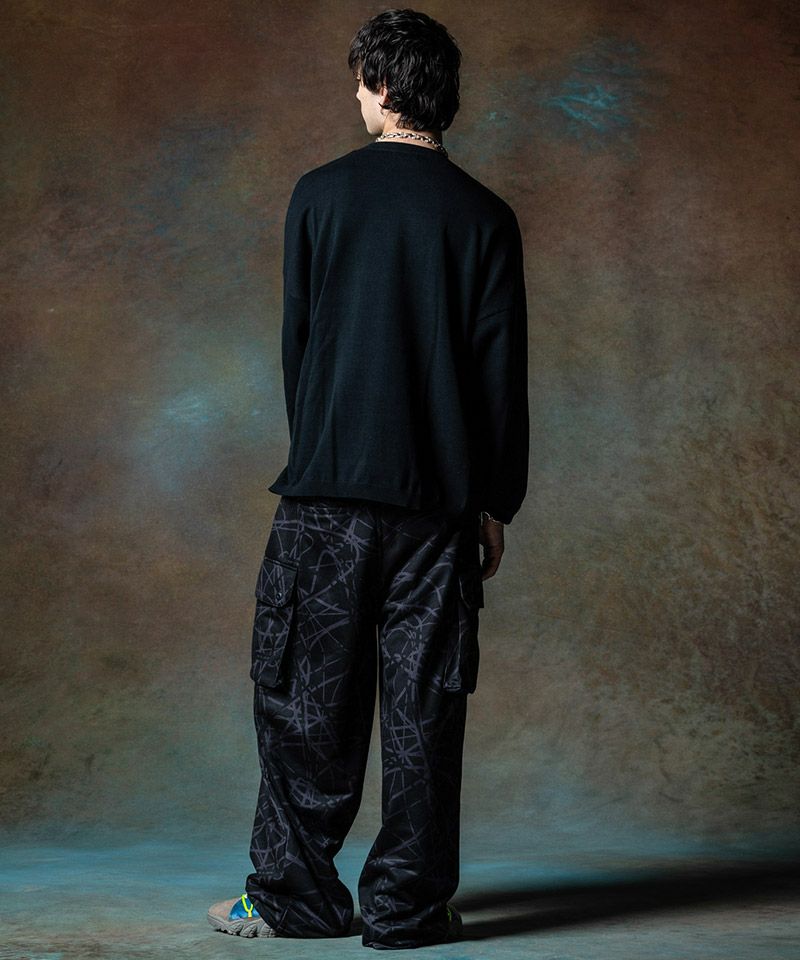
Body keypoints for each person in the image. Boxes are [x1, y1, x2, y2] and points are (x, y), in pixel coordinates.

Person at [207, 7, 529, 950]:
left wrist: (326, 450)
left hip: (329, 498)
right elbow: (499, 377)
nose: (356, 94)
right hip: (439, 510)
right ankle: (406, 910)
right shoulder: (486, 218)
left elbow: (299, 349)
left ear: (386, 87)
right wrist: (493, 504)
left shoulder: (320, 195)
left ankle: (293, 900)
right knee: (426, 713)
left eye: (361, 80)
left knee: (308, 707)